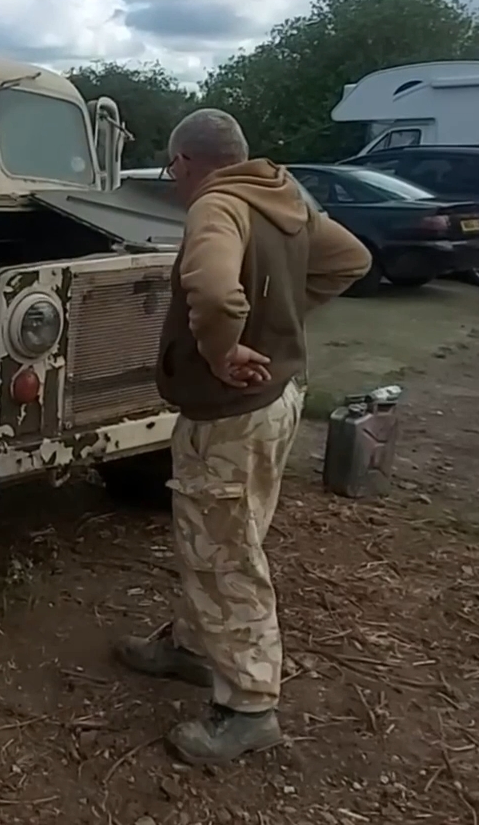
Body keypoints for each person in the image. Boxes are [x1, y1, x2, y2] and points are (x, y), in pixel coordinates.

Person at [111, 107, 372, 766]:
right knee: (221, 533)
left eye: (174, 168)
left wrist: (225, 348)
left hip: (230, 411)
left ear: (190, 162)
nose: (174, 181)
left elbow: (214, 291)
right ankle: (194, 648)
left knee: (226, 552)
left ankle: (249, 707)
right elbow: (351, 259)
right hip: (277, 396)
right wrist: (280, 318)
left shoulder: (216, 207)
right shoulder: (281, 196)